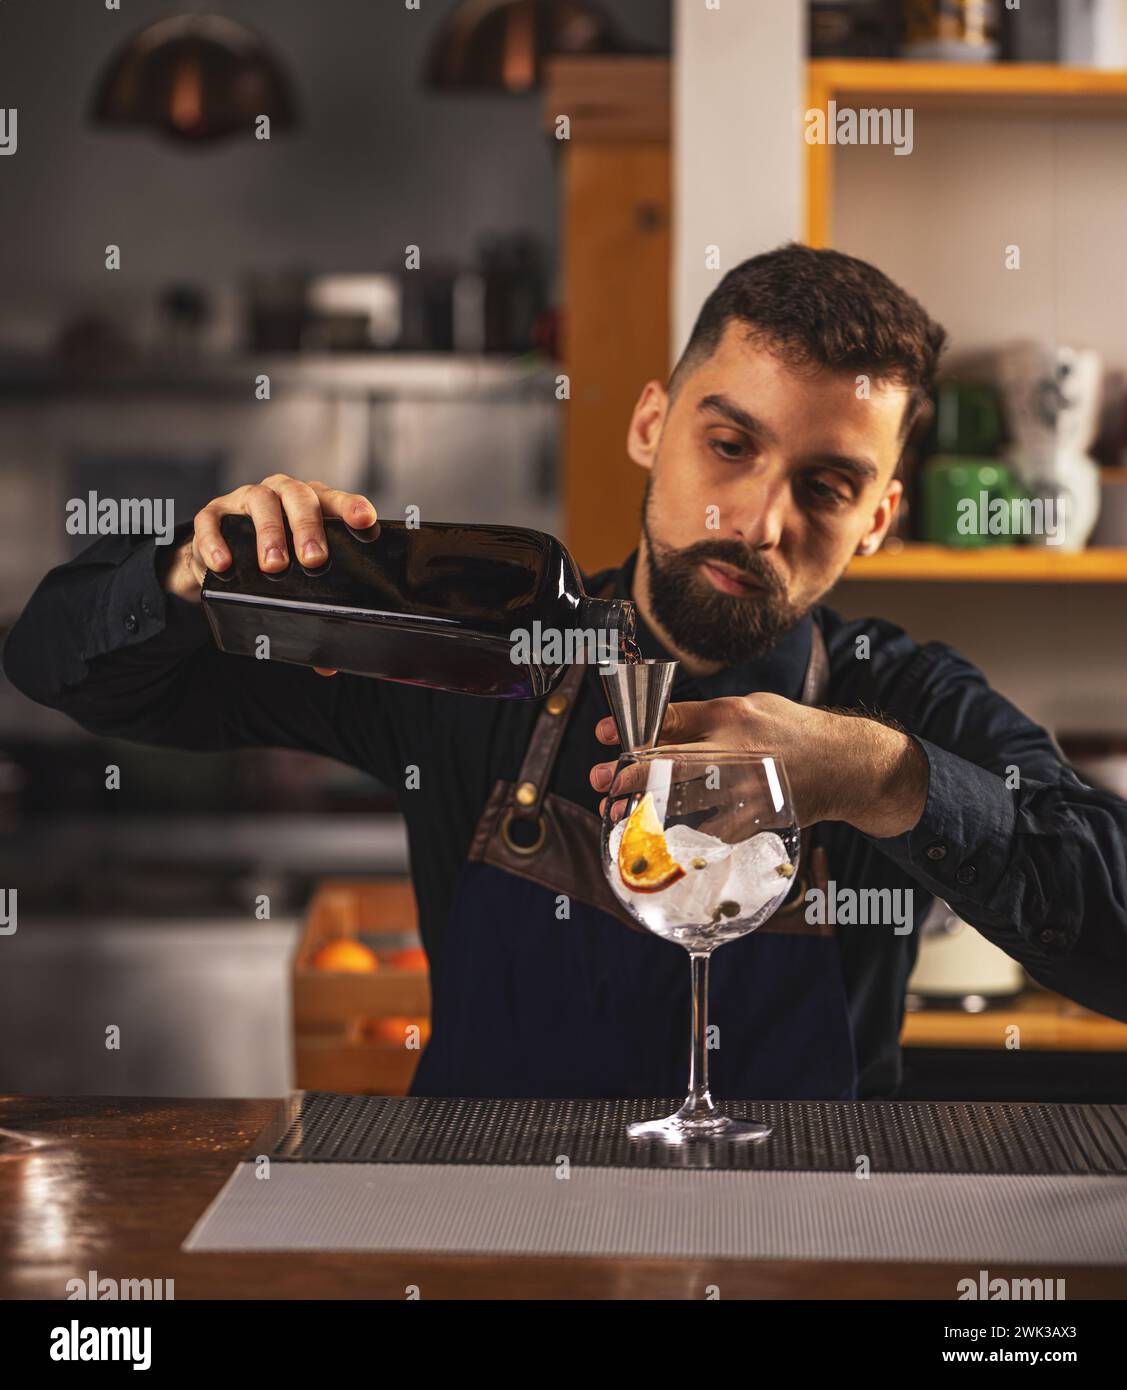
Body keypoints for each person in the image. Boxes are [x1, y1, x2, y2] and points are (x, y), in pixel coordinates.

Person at [6, 243, 1126, 1101]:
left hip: (801, 1249)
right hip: (480, 1248)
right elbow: (60, 666)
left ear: (878, 517)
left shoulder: (900, 696)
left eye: (826, 486)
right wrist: (185, 577)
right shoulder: (469, 642)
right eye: (726, 445)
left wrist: (881, 777)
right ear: (650, 424)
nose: (752, 520)